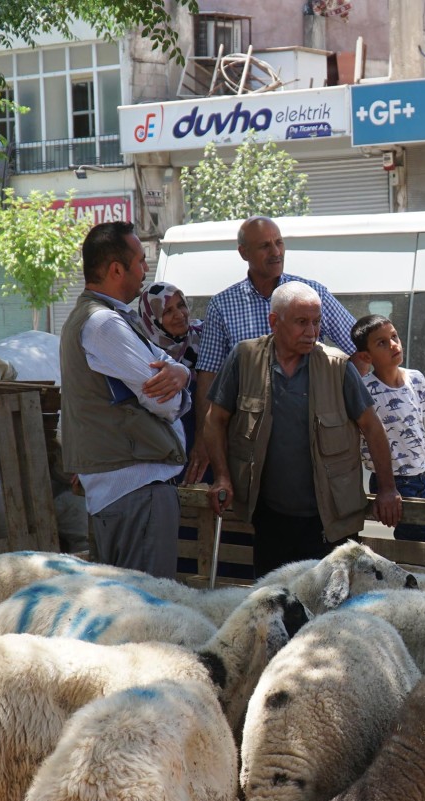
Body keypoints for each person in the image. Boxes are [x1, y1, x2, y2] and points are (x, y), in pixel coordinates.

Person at [202, 282, 402, 576]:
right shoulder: (245, 358)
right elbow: (214, 420)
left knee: (330, 610)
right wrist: (221, 477)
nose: (312, 331)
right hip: (270, 518)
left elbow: (372, 428)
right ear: (274, 321)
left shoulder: (337, 366)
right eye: (301, 322)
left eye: (316, 322)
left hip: (329, 521)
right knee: (275, 605)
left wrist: (387, 488)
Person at [60, 221, 190, 578]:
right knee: (144, 614)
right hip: (136, 493)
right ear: (116, 269)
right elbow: (161, 399)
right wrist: (182, 392)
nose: (145, 269)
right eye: (141, 261)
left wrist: (183, 374)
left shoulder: (105, 318)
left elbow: (171, 369)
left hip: (127, 493)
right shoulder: (104, 324)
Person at [190, 216, 356, 469]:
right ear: (243, 252)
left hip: (310, 431)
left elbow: (357, 348)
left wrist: (343, 410)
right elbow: (209, 375)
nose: (276, 252)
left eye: (279, 242)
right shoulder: (223, 305)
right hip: (250, 438)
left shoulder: (312, 293)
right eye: (265, 246)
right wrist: (203, 437)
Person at [352, 314, 425, 545]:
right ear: (366, 356)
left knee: (415, 549)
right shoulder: (365, 388)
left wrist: (424, 455)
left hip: (421, 479)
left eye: (394, 337)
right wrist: (386, 487)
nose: (393, 344)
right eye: (381, 342)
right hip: (395, 483)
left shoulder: (416, 379)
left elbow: (417, 422)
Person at [133, 280, 203, 451]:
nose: (179, 315)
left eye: (181, 305)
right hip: (163, 444)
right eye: (167, 311)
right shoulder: (142, 351)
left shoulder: (206, 336)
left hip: (207, 437)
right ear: (152, 319)